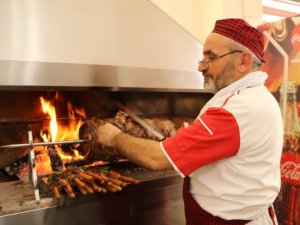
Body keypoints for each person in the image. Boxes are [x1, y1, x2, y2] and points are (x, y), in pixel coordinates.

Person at [97, 18, 284, 225]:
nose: (201, 67)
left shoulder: (237, 110)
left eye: (210, 58)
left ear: (243, 61)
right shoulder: (258, 96)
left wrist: (114, 137)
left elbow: (157, 159)